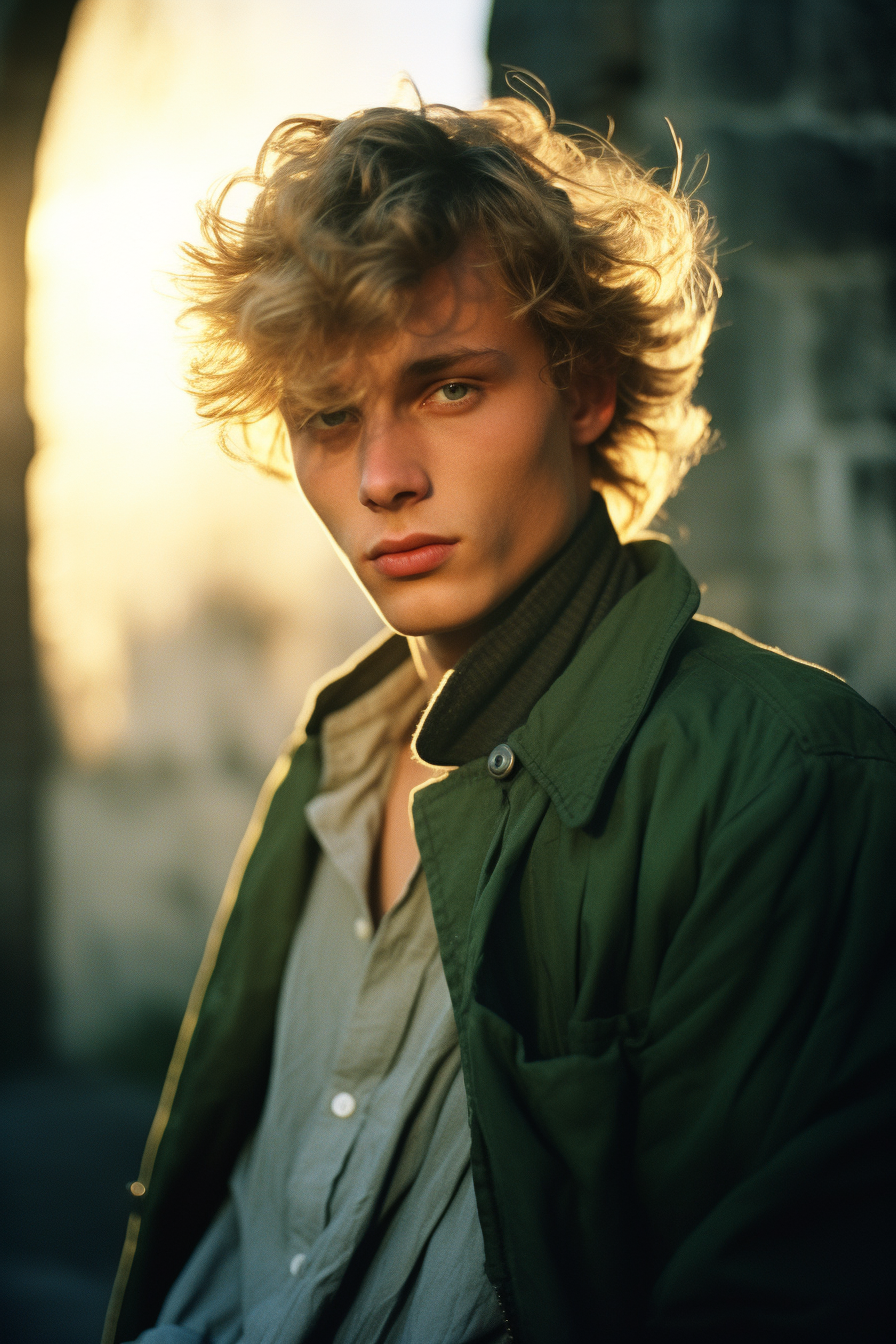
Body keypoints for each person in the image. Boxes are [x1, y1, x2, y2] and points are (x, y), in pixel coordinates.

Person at [104, 93, 896, 1344]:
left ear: (580, 390)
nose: (381, 477)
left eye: (450, 386)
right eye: (326, 417)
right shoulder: (337, 756)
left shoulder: (787, 776)